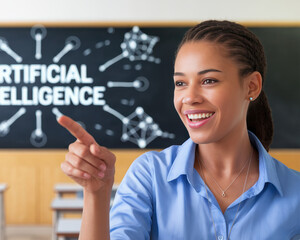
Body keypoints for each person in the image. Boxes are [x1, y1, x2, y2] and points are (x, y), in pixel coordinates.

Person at [57, 20, 300, 240]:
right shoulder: (150, 176)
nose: (189, 98)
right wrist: (96, 195)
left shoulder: (295, 193)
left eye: (208, 81)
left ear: (252, 86)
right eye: (180, 83)